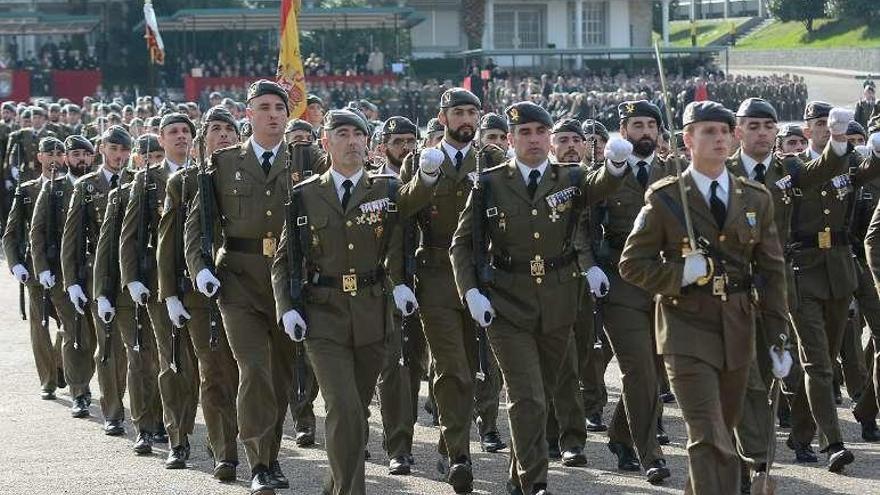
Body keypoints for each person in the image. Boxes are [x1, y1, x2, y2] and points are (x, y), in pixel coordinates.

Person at [449, 101, 629, 495]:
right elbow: (461, 246)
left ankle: (518, 476)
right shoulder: (489, 183)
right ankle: (535, 482)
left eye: (540, 132)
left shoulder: (571, 177)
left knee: (540, 395)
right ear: (511, 139)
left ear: (550, 139)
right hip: (507, 302)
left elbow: (600, 187)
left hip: (558, 301)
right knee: (527, 395)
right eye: (524, 133)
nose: (533, 140)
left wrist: (616, 165)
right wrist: (471, 292)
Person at [619, 100, 792, 494]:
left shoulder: (755, 198)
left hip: (737, 326)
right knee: (707, 432)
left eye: (724, 131)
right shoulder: (665, 198)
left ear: (734, 138)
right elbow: (632, 264)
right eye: (707, 131)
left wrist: (780, 339)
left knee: (722, 432)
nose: (718, 138)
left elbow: (772, 271)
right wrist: (680, 274)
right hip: (685, 326)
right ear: (688, 139)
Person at [273, 108, 417, 494]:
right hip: (324, 315)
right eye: (342, 133)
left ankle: (335, 488)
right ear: (326, 142)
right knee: (343, 408)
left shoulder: (386, 189)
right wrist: (286, 307)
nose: (352, 140)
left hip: (372, 313)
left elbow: (401, 242)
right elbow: (285, 259)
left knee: (356, 413)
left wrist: (401, 284)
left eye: (359, 133)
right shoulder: (304, 195)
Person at [727, 98, 851, 487]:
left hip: (778, 285)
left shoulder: (789, 169)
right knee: (745, 375)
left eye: (768, 125)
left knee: (771, 371)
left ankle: (757, 453)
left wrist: (837, 139)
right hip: (732, 287)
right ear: (738, 131)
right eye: (753, 125)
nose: (761, 132)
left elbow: (825, 168)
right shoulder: (721, 172)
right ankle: (753, 460)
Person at [185, 80, 298, 494]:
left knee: (281, 378)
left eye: (279, 108)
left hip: (289, 284)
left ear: (288, 115)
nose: (272, 114)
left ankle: (271, 453)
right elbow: (197, 226)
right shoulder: (223, 163)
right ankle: (259, 464)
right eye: (264, 107)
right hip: (238, 281)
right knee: (253, 368)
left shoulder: (306, 160)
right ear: (248, 114)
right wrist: (200, 268)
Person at [395, 88, 504, 494]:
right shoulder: (421, 162)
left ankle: (448, 436)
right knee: (453, 366)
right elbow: (403, 220)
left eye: (472, 113)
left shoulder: (491, 161)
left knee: (482, 368)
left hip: (483, 274)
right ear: (442, 118)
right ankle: (460, 454)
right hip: (437, 275)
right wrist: (400, 279)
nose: (466, 120)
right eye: (458, 112)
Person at [786, 101, 880, 471]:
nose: (829, 129)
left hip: (839, 267)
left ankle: (799, 432)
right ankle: (833, 441)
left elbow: (869, 171)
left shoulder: (851, 161)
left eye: (833, 123)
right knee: (818, 363)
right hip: (803, 268)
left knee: (823, 357)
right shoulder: (789, 166)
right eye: (821, 124)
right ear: (807, 130)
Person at [155, 106, 242, 480]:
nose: (223, 135)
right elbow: (169, 242)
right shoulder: (185, 182)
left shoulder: (250, 177)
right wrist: (170, 293)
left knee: (244, 374)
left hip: (245, 292)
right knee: (212, 372)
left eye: (230, 129)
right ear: (202, 138)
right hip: (198, 296)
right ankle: (223, 451)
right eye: (216, 129)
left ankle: (239, 442)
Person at [594, 100, 675, 483]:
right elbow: (583, 227)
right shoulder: (605, 175)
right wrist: (589, 267)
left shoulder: (675, 172)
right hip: (620, 284)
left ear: (659, 132)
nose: (644, 132)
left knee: (658, 372)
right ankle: (651, 455)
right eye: (636, 125)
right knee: (639, 370)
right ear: (623, 131)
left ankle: (621, 435)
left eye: (650, 125)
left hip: (664, 286)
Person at [120, 113, 199, 469]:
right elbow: (130, 234)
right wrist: (132, 278)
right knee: (170, 361)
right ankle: (176, 438)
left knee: (201, 365)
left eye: (186, 131)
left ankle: (205, 431)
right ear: (161, 140)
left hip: (201, 283)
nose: (181, 137)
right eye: (173, 132)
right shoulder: (147, 180)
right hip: (160, 284)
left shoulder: (206, 175)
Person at [93, 125, 166, 453]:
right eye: (147, 157)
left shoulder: (172, 189)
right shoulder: (121, 195)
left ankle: (165, 419)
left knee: (165, 359)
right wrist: (102, 293)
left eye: (158, 157)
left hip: (163, 289)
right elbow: (108, 248)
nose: (152, 162)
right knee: (138, 358)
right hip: (127, 291)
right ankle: (144, 426)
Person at [2, 137, 65, 402]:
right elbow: (11, 233)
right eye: (48, 153)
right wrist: (16, 264)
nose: (54, 158)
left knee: (68, 324)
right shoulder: (26, 190)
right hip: (34, 270)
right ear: (39, 157)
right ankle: (48, 380)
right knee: (40, 328)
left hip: (65, 268)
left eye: (59, 153)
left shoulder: (72, 188)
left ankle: (61, 363)